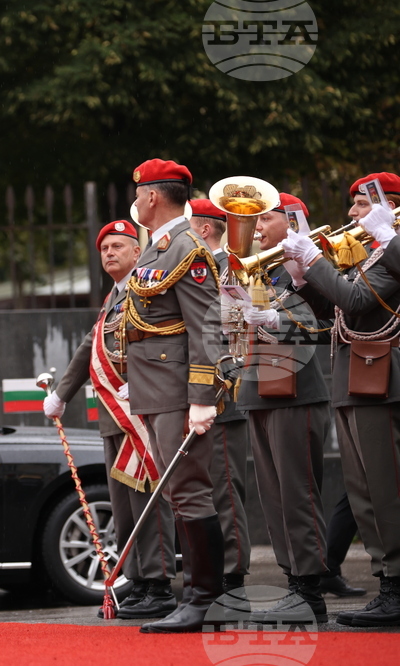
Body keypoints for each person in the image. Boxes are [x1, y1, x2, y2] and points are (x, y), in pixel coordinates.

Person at [282, 172, 400, 627]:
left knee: (386, 489)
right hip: (354, 378)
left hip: (384, 380)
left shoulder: (392, 253)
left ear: (387, 205)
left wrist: (314, 261)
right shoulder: (373, 255)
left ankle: (396, 585)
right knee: (364, 492)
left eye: (360, 205)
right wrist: (303, 277)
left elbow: (353, 300)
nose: (351, 215)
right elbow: (331, 310)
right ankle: (387, 581)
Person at [44, 220, 177, 619]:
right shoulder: (114, 298)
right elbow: (92, 347)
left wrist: (147, 383)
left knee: (148, 501)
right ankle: (136, 579)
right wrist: (61, 393)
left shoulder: (147, 287)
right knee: (123, 507)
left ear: (138, 253)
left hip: (143, 411)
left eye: (119, 246)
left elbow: (165, 339)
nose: (110, 253)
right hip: (114, 417)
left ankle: (158, 583)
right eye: (104, 248)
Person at [121, 159, 223, 634]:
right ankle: (199, 598)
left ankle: (204, 599)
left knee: (188, 492)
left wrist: (202, 396)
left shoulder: (187, 247)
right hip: (155, 388)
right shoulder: (159, 246)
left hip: (178, 392)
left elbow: (206, 326)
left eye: (138, 193)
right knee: (180, 495)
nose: (136, 200)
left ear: (152, 197)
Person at [229, 193, 332, 623]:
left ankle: (310, 589)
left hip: (297, 390)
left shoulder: (312, 266)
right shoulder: (261, 270)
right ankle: (293, 581)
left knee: (298, 493)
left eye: (265, 218)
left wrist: (277, 319)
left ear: (292, 221)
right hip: (257, 387)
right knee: (273, 496)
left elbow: (327, 325)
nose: (256, 227)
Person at [187, 199, 252, 597]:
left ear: (205, 229)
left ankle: (232, 576)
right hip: (196, 388)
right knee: (205, 489)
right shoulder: (194, 267)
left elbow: (235, 322)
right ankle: (209, 574)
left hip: (225, 392)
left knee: (225, 492)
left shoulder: (231, 266)